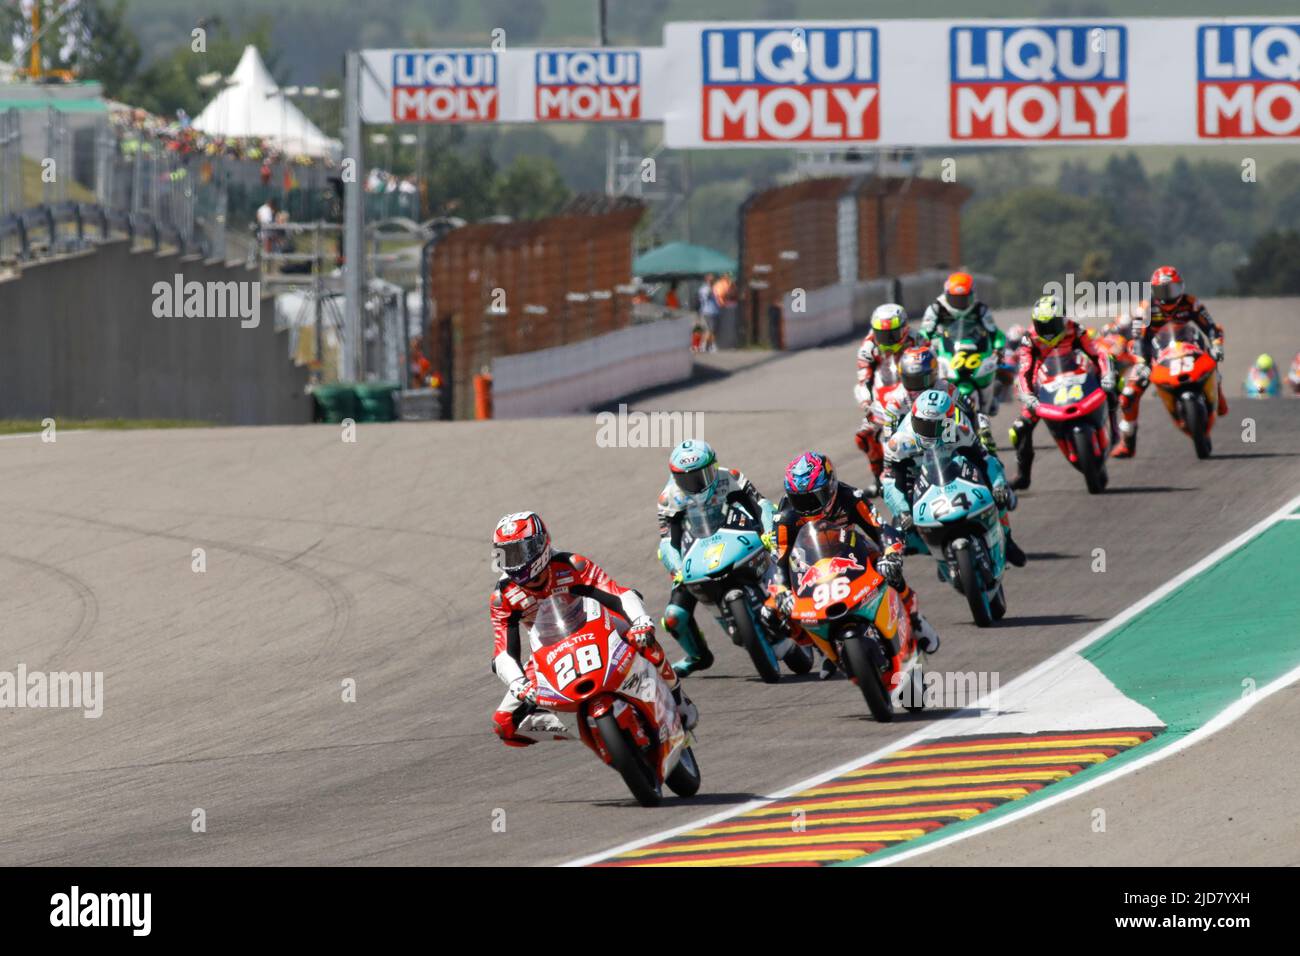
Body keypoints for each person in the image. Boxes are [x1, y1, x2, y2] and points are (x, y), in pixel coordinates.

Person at [489, 512, 698, 747]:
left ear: (540, 544)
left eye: (520, 552)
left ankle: (679, 699)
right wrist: (518, 682)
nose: (514, 562)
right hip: (549, 650)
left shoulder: (571, 564)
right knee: (504, 723)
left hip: (598, 628)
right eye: (507, 554)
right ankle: (581, 730)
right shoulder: (503, 596)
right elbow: (503, 652)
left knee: (641, 638)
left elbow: (617, 593)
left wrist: (641, 621)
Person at [761, 452, 941, 680]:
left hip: (853, 552)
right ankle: (820, 645)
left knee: (889, 569)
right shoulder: (786, 517)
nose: (808, 507)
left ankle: (913, 617)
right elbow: (779, 560)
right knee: (770, 613)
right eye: (801, 500)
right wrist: (782, 592)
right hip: (809, 570)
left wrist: (890, 554)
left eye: (815, 497)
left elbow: (880, 528)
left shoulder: (850, 497)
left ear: (831, 486)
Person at [656, 440, 775, 676]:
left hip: (737, 536)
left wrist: (768, 532)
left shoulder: (730, 477)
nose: (696, 484)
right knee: (673, 617)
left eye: (702, 474)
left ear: (714, 466)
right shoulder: (668, 498)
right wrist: (677, 568)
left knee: (785, 564)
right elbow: (668, 540)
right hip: (697, 551)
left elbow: (761, 505)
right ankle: (698, 656)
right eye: (687, 479)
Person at [881, 388, 1027, 569]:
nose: (928, 433)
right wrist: (902, 510)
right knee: (901, 531)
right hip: (913, 476)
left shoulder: (960, 432)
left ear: (948, 422)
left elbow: (987, 461)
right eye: (922, 425)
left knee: (996, 492)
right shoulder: (899, 442)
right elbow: (889, 482)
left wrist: (998, 485)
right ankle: (936, 556)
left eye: (936, 427)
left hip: (948, 469)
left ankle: (1007, 537)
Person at [1116, 266, 1227, 458]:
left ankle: (1219, 394)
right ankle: (1128, 441)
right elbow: (1138, 338)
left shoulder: (1191, 303)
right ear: (1153, 291)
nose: (1167, 296)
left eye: (1172, 290)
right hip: (1154, 355)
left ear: (1181, 287)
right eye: (1162, 291)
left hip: (1188, 348)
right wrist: (1142, 362)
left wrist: (1216, 344)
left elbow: (1211, 327)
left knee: (1210, 362)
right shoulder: (1146, 308)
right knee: (1128, 396)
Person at [1008, 295, 1116, 489]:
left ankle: (1115, 427)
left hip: (1077, 377)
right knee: (1019, 429)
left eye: (1052, 325)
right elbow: (1024, 370)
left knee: (1114, 384)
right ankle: (1023, 475)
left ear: (1063, 319)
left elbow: (1097, 352)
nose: (1047, 332)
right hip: (1044, 387)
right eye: (1043, 326)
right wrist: (1028, 395)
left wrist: (1107, 374)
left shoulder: (1074, 329)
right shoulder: (1029, 339)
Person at [920, 271, 1000, 339]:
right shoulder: (936, 308)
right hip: (943, 350)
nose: (960, 302)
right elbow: (924, 334)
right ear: (946, 295)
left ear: (972, 296)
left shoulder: (981, 309)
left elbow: (994, 333)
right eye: (955, 298)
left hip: (975, 349)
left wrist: (997, 349)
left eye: (963, 298)